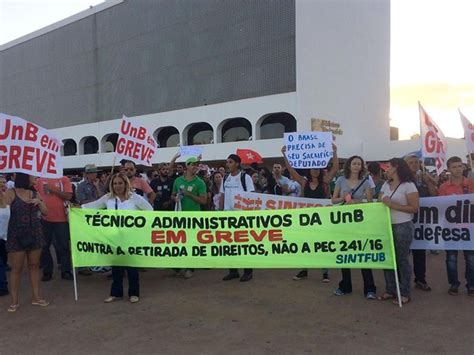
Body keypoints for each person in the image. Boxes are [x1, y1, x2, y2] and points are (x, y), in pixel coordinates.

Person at [82, 173, 153, 303]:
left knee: (132, 267)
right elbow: (92, 206)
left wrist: (140, 226)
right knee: (116, 268)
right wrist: (75, 209)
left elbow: (150, 210)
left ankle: (134, 293)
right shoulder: (108, 198)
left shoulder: (135, 198)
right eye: (115, 183)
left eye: (120, 183)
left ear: (125, 184)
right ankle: (116, 293)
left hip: (131, 238)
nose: (117, 186)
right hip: (114, 238)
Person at [282, 144, 339, 282]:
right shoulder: (303, 182)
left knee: (322, 244)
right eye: (313, 168)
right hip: (307, 218)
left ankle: (325, 272)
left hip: (322, 218)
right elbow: (291, 170)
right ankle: (304, 270)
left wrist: (335, 152)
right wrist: (285, 155)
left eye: (318, 168)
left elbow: (335, 168)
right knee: (306, 244)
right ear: (309, 169)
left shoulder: (325, 182)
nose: (315, 171)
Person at [332, 156, 376, 299]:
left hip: (360, 221)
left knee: (363, 253)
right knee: (345, 253)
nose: (356, 166)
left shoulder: (366, 182)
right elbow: (333, 200)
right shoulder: (340, 180)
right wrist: (344, 199)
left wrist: (356, 201)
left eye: (359, 164)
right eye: (354, 163)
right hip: (344, 221)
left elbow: (369, 202)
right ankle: (345, 286)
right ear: (349, 166)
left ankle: (369, 288)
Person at [3, 173, 49, 312]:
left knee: (34, 266)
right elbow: (3, 209)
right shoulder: (11, 192)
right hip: (16, 234)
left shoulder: (35, 193)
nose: (36, 177)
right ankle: (14, 301)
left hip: (34, 232)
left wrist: (39, 202)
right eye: (32, 175)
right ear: (25, 177)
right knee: (16, 268)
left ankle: (36, 297)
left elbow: (46, 212)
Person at [378, 158, 419, 305]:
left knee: (401, 259)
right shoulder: (385, 184)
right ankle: (391, 289)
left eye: (388, 166)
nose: (386, 169)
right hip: (387, 225)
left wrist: (393, 205)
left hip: (402, 225)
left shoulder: (408, 185)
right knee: (388, 259)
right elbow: (379, 201)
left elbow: (414, 208)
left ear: (396, 167)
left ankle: (404, 292)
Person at [438, 156, 474, 296]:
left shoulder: (471, 184)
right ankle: (454, 284)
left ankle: (471, 285)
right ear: (449, 169)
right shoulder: (443, 187)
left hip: (469, 227)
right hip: (450, 228)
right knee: (451, 258)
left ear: (463, 167)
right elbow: (440, 207)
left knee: (470, 258)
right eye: (454, 167)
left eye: (460, 166)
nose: (458, 169)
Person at [220, 154, 255, 282]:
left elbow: (251, 196)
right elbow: (222, 194)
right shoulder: (226, 178)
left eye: (230, 162)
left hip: (241, 215)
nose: (227, 164)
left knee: (244, 243)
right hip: (228, 215)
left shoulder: (245, 177)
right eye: (227, 162)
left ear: (237, 164)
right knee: (230, 244)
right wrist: (221, 211)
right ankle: (233, 271)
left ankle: (248, 271)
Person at [171, 156, 207, 279]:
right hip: (180, 216)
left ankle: (190, 267)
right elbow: (173, 195)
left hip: (194, 216)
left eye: (197, 165)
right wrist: (175, 198)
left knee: (191, 242)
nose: (195, 167)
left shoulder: (200, 182)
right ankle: (179, 265)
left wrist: (189, 194)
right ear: (187, 166)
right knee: (179, 241)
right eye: (193, 165)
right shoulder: (178, 181)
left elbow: (203, 201)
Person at [405, 154, 437, 290]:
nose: (414, 164)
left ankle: (420, 279)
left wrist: (429, 181)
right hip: (405, 220)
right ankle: (402, 281)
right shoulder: (401, 180)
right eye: (411, 162)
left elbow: (434, 195)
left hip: (421, 221)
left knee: (419, 252)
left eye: (416, 162)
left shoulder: (424, 178)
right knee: (403, 254)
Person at [35, 175, 74, 281]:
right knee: (44, 246)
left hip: (61, 219)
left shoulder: (63, 179)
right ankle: (47, 271)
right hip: (44, 219)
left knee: (63, 246)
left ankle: (66, 270)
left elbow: (68, 196)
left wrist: (53, 189)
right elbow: (35, 196)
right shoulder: (39, 180)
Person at [0, 175, 10, 296]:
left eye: (4, 182)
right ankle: (3, 286)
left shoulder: (8, 197)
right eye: (0, 182)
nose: (2, 184)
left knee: (3, 261)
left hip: (5, 237)